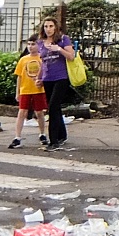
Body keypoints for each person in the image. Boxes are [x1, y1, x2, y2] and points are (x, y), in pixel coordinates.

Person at [36, 16, 78, 151]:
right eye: (46, 26)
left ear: (56, 27)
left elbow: (71, 56)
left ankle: (53, 141)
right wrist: (39, 77)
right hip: (48, 78)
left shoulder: (63, 39)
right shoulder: (41, 42)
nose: (48, 29)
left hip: (61, 77)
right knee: (55, 108)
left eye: (51, 26)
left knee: (53, 107)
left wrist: (58, 49)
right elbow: (43, 62)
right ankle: (62, 135)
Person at [10, 36, 47, 148]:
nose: (31, 47)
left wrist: (41, 82)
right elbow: (19, 77)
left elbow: (46, 74)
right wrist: (18, 92)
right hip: (25, 90)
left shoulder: (42, 58)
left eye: (33, 44)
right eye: (29, 44)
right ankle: (17, 137)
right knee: (22, 112)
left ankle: (42, 134)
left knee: (39, 113)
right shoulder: (23, 60)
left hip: (38, 90)